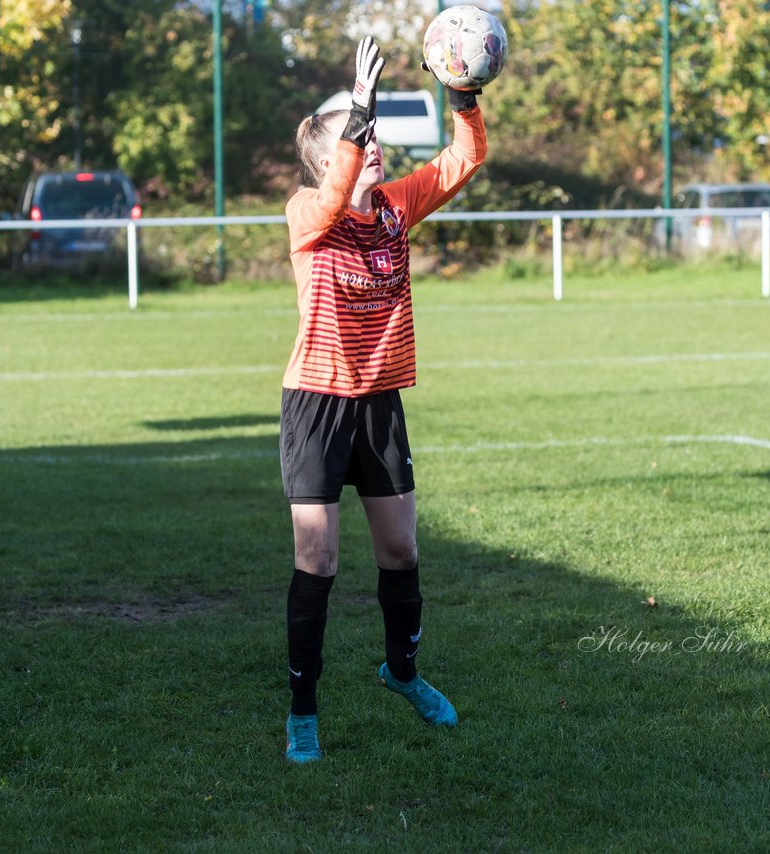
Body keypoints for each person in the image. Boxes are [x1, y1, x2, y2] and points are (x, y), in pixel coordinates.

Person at [280, 37, 488, 764]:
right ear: (328, 153)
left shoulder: (396, 207)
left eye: (368, 132)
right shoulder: (309, 211)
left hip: (378, 403)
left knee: (400, 550)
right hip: (316, 403)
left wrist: (464, 96)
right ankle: (303, 708)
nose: (371, 144)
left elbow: (463, 161)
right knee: (320, 557)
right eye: (356, 135)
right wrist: (358, 104)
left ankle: (402, 672)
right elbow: (336, 194)